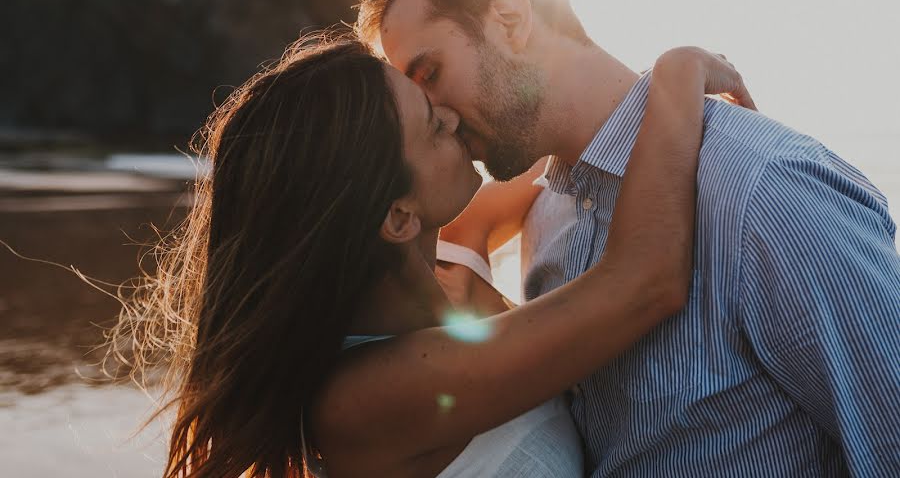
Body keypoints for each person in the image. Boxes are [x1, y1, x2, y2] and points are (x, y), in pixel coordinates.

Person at [356, 0, 900, 476]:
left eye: (431, 75)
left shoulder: (762, 191)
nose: (440, 118)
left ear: (510, 22)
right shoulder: (548, 215)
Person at [118, 34, 752, 477]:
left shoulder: (448, 260)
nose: (454, 118)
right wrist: (674, 76)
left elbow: (547, 155)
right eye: (435, 126)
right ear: (397, 216)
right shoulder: (365, 400)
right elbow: (644, 281)